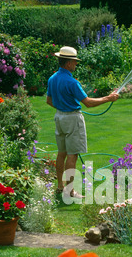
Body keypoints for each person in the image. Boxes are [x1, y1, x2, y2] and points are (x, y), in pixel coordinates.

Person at [46, 46, 119, 198]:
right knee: (72, 155)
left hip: (59, 117)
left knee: (61, 153)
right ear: (68, 64)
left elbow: (49, 101)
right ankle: (70, 191)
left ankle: (60, 186)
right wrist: (109, 98)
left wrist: (62, 107)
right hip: (72, 119)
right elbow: (88, 102)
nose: (76, 64)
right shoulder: (72, 82)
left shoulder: (52, 79)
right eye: (74, 62)